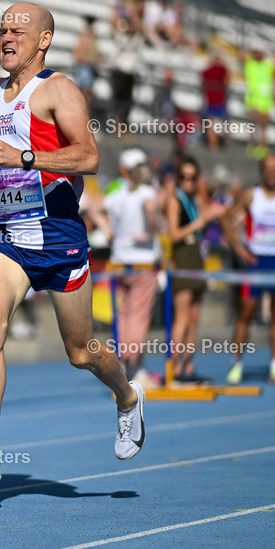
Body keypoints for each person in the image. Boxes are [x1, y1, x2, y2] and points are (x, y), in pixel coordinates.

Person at [0, 3, 145, 488]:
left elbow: (89, 158)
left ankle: (127, 397)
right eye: (2, 29)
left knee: (81, 351)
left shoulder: (59, 89)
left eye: (18, 30)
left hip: (57, 235)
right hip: (8, 233)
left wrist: (25, 157)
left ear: (44, 40)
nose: (7, 37)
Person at [222, 154, 275, 386]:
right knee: (246, 312)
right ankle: (236, 363)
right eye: (267, 168)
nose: (271, 172)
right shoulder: (251, 195)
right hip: (255, 262)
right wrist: (239, 249)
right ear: (262, 171)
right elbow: (226, 219)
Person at [166, 156, 226, 383]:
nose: (188, 182)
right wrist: (199, 223)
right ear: (178, 179)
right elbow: (174, 234)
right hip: (183, 257)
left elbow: (203, 228)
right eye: (184, 177)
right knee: (182, 317)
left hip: (197, 256)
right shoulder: (175, 200)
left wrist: (208, 214)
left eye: (193, 177)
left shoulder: (194, 199)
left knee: (194, 318)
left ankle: (188, 367)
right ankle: (174, 368)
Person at [104, 154, 161, 388]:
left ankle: (125, 363)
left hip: (120, 259)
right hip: (142, 261)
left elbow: (94, 208)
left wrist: (110, 232)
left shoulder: (117, 194)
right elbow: (150, 210)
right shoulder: (147, 192)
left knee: (125, 313)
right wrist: (150, 232)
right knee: (138, 315)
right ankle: (133, 365)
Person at [243, 48, 275, 158]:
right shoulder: (250, 65)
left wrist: (268, 53)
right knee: (252, 126)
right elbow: (243, 53)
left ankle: (261, 148)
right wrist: (255, 53)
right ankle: (251, 146)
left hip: (265, 101)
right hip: (253, 101)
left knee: (263, 127)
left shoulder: (266, 65)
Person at [202, 54, 229, 150]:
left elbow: (203, 79)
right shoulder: (222, 70)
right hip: (220, 101)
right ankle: (225, 143)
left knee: (210, 124)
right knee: (224, 122)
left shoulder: (208, 71)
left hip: (210, 101)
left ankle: (213, 144)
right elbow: (228, 81)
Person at [72, 16, 100, 108]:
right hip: (84, 66)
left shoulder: (93, 37)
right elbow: (78, 54)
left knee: (88, 91)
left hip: (90, 67)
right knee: (85, 91)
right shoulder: (83, 37)